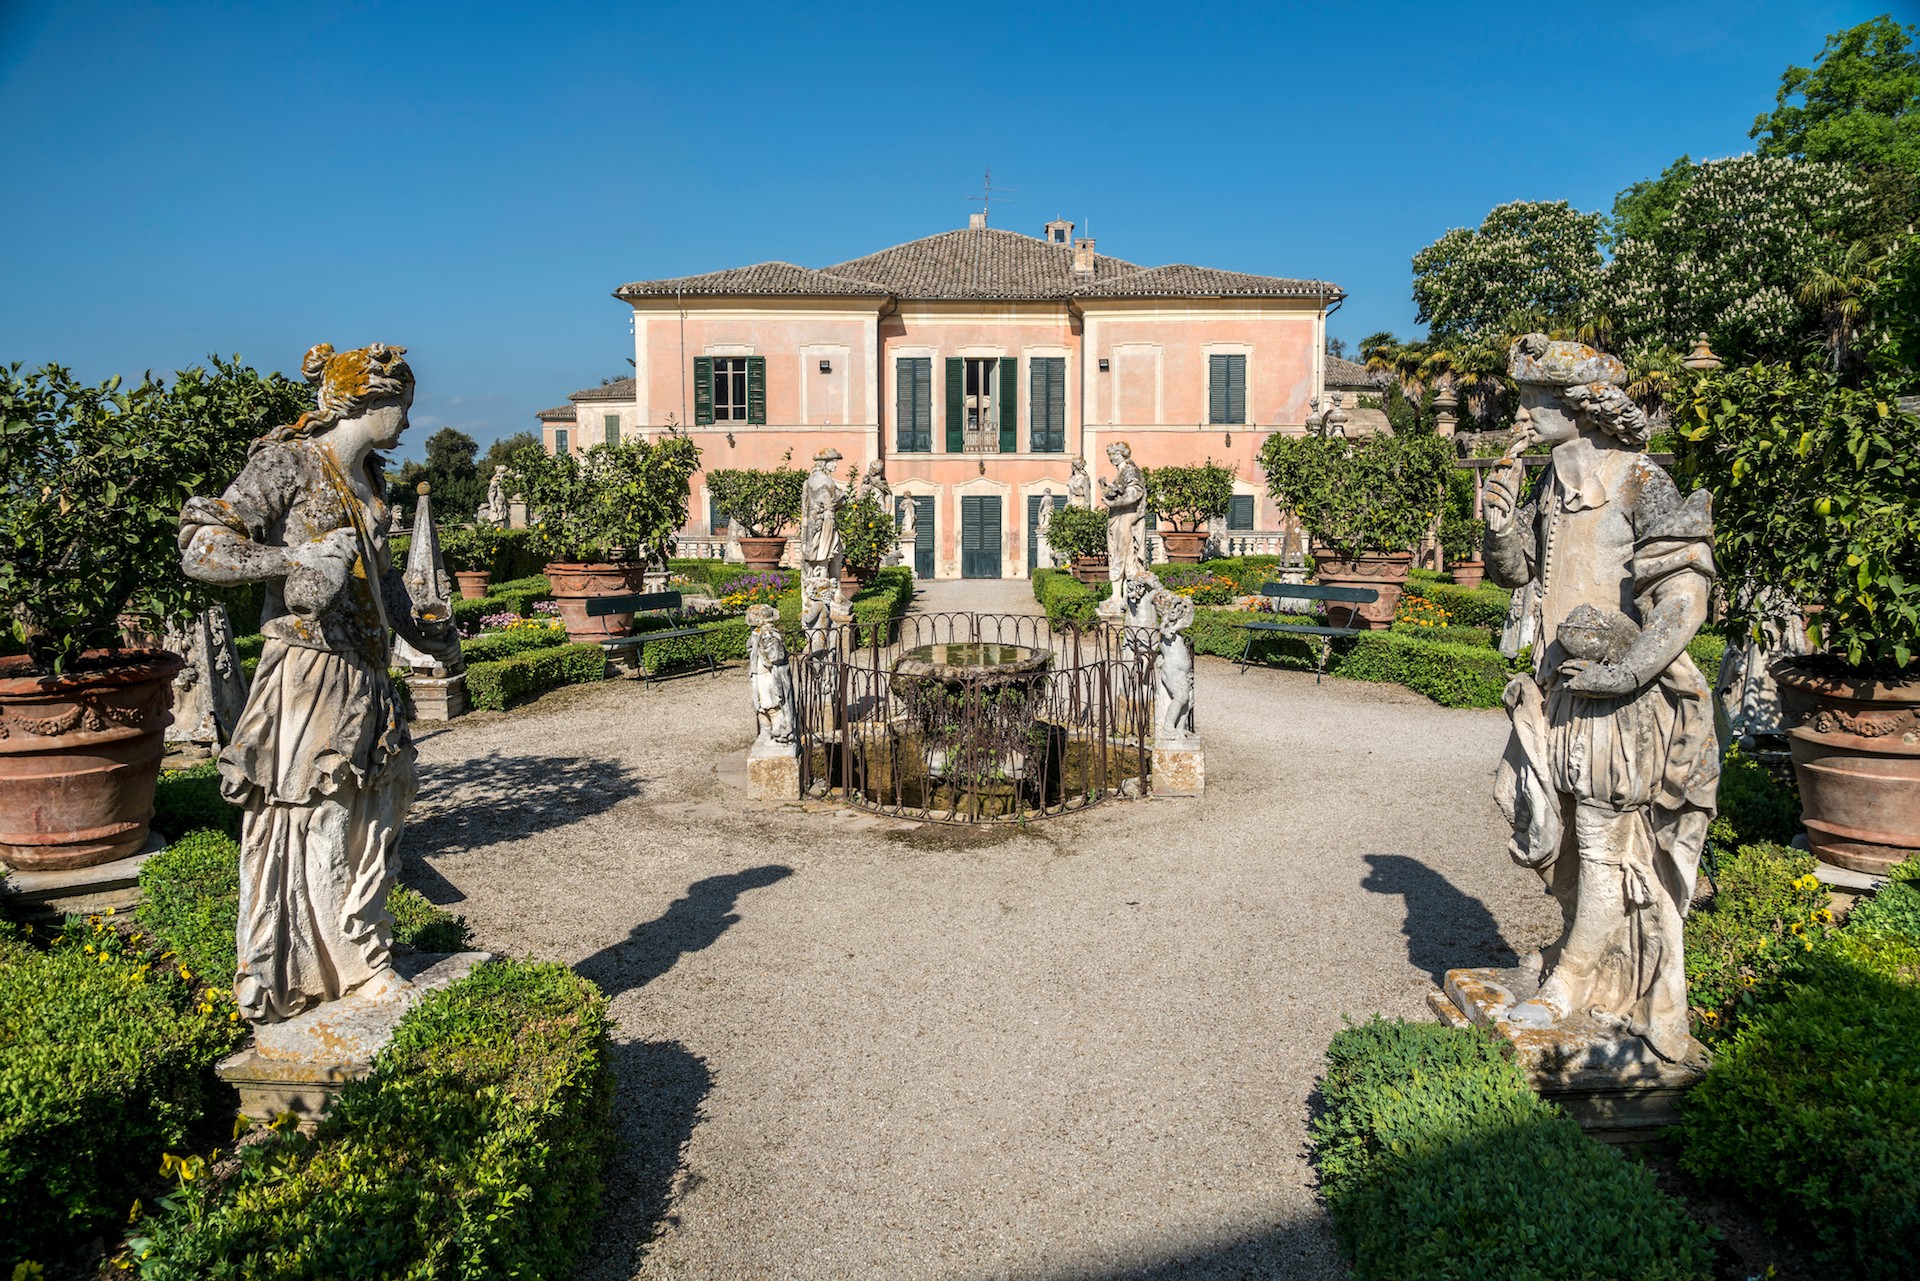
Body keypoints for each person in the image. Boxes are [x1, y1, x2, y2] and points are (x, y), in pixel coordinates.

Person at [180, 342, 459, 1024]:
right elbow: (201, 548)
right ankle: (324, 971)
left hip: (368, 676)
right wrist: (292, 556)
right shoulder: (287, 463)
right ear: (368, 401)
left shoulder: (371, 479)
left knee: (377, 817)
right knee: (319, 817)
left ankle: (362, 952)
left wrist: (423, 629)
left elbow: (384, 582)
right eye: (403, 407)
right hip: (307, 673)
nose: (407, 423)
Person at [1482, 334, 1718, 1062]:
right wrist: (1498, 523)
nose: (1524, 407)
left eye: (1537, 395)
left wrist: (1629, 670)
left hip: (1615, 703)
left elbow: (1686, 596)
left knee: (1603, 844)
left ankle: (1576, 981)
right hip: (1556, 690)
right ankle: (1579, 950)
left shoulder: (1638, 479)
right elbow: (1515, 571)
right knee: (1544, 826)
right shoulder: (1553, 485)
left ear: (1581, 407)